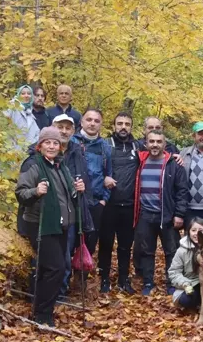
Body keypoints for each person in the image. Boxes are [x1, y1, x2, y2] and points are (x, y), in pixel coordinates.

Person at [15, 127, 84, 326]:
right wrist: (36, 191)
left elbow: (69, 193)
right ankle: (43, 314)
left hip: (61, 225)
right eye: (48, 142)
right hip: (41, 224)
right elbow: (21, 193)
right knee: (56, 268)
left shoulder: (60, 166)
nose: (52, 146)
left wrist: (78, 189)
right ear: (40, 145)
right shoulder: (33, 164)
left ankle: (42, 310)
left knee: (48, 269)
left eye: (55, 143)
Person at [134, 130, 189, 296]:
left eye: (159, 141)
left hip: (167, 214)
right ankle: (148, 282)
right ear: (146, 143)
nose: (155, 144)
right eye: (151, 141)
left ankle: (172, 282)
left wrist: (179, 214)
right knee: (146, 250)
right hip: (145, 214)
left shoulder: (173, 163)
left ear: (165, 144)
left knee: (172, 251)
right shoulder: (140, 161)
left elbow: (182, 191)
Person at [50, 114, 94, 297]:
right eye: (60, 127)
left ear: (73, 131)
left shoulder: (77, 152)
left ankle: (61, 291)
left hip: (71, 211)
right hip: (49, 212)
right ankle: (48, 292)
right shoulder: (46, 150)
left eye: (68, 128)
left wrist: (82, 187)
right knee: (51, 254)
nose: (64, 131)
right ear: (53, 127)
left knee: (66, 253)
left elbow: (84, 179)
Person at [98, 112, 140, 294]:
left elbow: (161, 148)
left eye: (127, 124)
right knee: (106, 244)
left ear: (131, 127)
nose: (123, 127)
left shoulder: (138, 146)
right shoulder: (105, 145)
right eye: (120, 123)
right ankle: (104, 279)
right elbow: (93, 169)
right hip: (109, 205)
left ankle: (124, 279)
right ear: (113, 125)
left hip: (129, 205)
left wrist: (177, 156)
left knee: (125, 245)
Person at [71, 109, 112, 257]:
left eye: (96, 121)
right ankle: (65, 277)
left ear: (101, 124)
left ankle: (80, 276)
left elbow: (109, 174)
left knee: (90, 243)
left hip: (95, 202)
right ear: (82, 122)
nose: (92, 123)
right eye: (89, 119)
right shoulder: (71, 142)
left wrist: (104, 200)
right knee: (70, 241)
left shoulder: (105, 147)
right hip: (72, 200)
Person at [168, 217, 203, 309]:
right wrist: (185, 284)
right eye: (193, 230)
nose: (197, 233)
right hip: (191, 283)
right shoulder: (181, 251)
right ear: (188, 232)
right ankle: (198, 304)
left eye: (201, 230)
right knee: (186, 300)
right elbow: (174, 273)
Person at [4, 84, 40, 149]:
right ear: (18, 95)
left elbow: (37, 134)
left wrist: (31, 146)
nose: (26, 96)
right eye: (23, 94)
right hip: (12, 152)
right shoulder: (12, 108)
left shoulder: (30, 114)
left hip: (27, 153)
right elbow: (3, 125)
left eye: (29, 94)